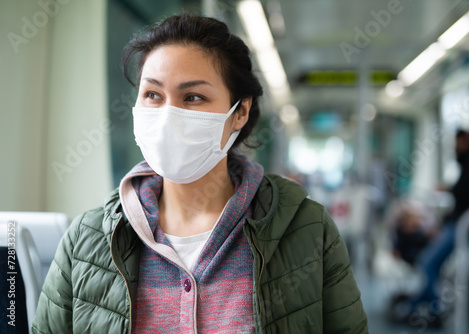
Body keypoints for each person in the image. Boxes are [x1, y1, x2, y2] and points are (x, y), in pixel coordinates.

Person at [31, 15, 368, 333]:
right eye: (153, 95)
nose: (167, 116)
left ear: (240, 113)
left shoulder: (306, 229)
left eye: (193, 97)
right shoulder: (86, 241)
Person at [392, 129, 469, 327]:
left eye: (459, 143)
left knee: (427, 263)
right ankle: (422, 304)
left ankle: (433, 308)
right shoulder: (467, 166)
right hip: (454, 223)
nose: (456, 147)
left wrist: (448, 189)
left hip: (461, 226)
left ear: (467, 143)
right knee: (431, 265)